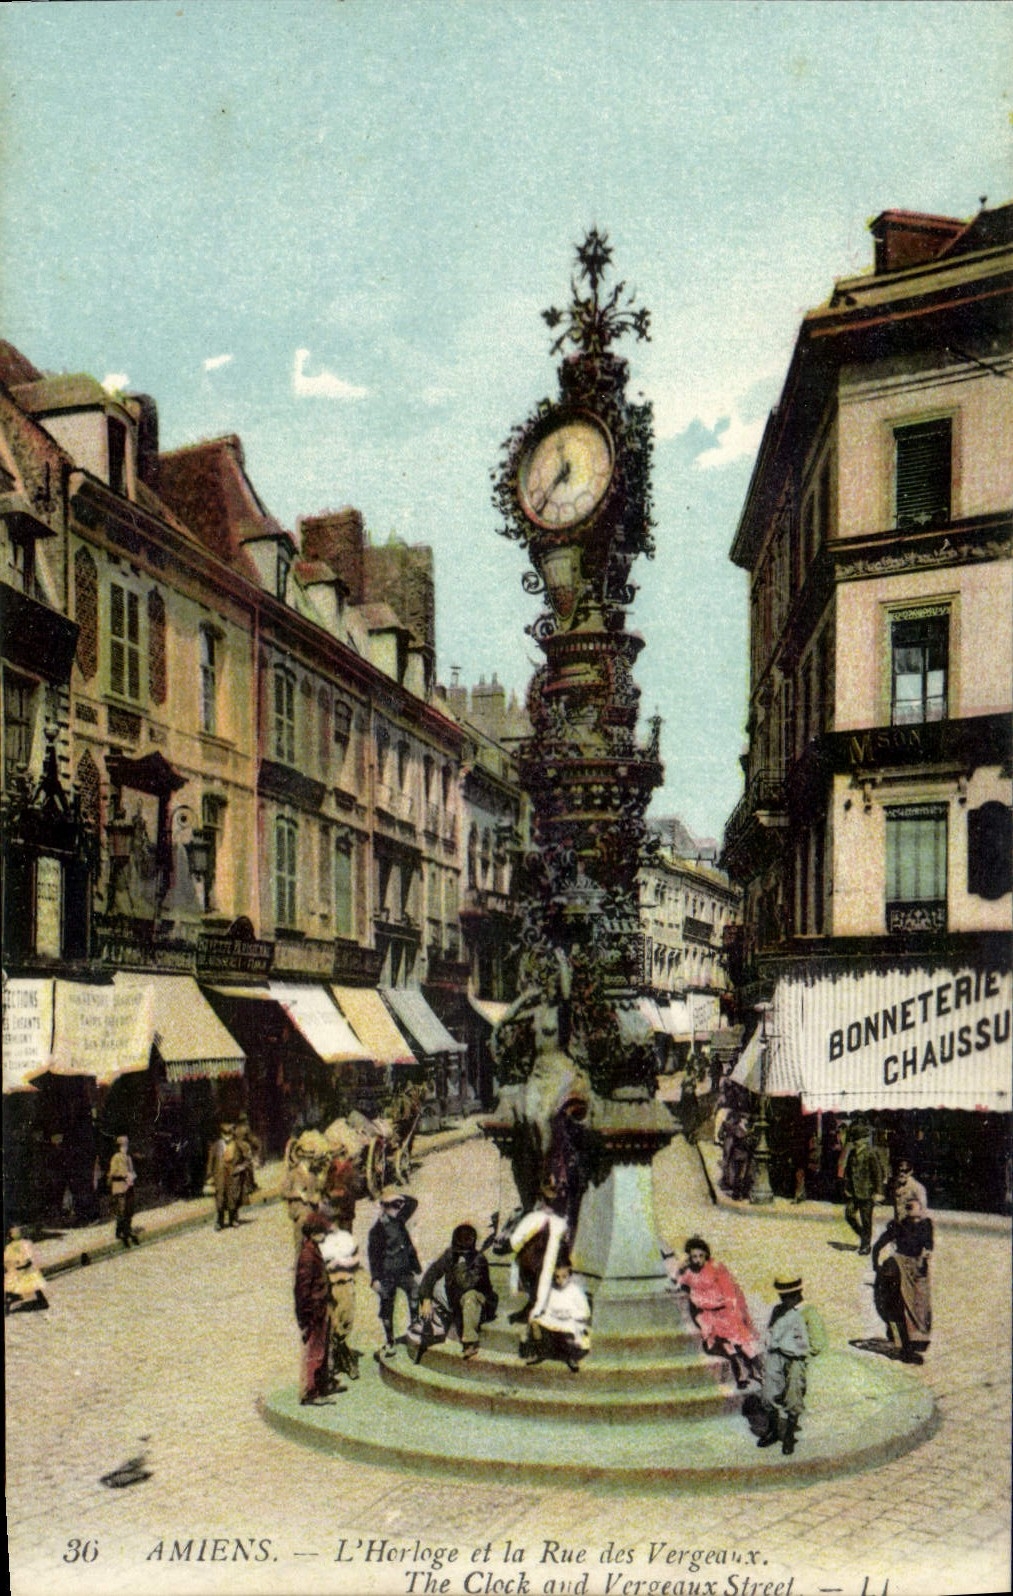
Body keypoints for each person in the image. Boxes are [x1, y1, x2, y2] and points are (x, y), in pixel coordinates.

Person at [664, 1236, 761, 1389]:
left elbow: (729, 1292)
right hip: (706, 1315)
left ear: (706, 1255)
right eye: (694, 1256)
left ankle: (760, 1371)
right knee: (726, 1345)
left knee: (742, 1343)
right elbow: (676, 1282)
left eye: (701, 1256)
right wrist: (681, 1268)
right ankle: (740, 1376)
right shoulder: (689, 1273)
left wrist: (732, 1312)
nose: (697, 1260)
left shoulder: (715, 1268)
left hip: (724, 1312)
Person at [757, 1271, 827, 1455]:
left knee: (793, 1394)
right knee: (769, 1392)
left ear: (798, 1294)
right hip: (776, 1355)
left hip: (796, 1359)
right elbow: (771, 1329)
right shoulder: (778, 1310)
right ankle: (773, 1429)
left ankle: (789, 1434)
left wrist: (803, 1354)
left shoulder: (808, 1312)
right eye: (782, 1295)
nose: (785, 1299)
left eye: (789, 1296)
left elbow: (819, 1341)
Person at [418, 1223, 498, 1360]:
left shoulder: (479, 1259)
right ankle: (433, 1327)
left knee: (469, 1296)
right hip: (456, 1298)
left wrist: (461, 1263)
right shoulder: (450, 1254)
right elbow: (431, 1274)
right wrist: (426, 1299)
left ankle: (470, 1342)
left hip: (481, 1303)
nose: (459, 1251)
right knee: (430, 1288)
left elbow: (466, 1285)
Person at [872, 1196, 933, 1363]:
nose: (913, 1214)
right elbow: (878, 1245)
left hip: (918, 1270)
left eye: (915, 1209)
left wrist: (927, 1252)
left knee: (920, 1307)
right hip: (900, 1267)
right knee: (897, 1306)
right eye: (909, 1209)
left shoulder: (926, 1225)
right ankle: (904, 1346)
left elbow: (929, 1244)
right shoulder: (899, 1226)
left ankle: (913, 1342)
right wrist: (875, 1264)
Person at [506, 1176, 569, 1325]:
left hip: (533, 1261)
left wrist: (517, 1249)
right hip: (552, 1263)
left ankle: (536, 1310)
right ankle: (539, 1309)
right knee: (545, 1285)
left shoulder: (535, 1217)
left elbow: (515, 1240)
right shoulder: (563, 1221)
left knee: (537, 1284)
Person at [367, 1187, 421, 1359]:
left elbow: (413, 1203)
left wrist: (397, 1197)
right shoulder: (377, 1230)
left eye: (398, 1205)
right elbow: (373, 1256)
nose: (396, 1208)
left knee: (415, 1293)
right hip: (387, 1274)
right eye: (392, 1205)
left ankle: (415, 1327)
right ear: (383, 1206)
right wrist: (375, 1278)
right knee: (387, 1308)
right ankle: (390, 1341)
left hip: (405, 1270)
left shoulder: (400, 1220)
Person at [522, 1249, 591, 1373]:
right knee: (535, 1322)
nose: (560, 1281)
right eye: (557, 1277)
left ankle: (571, 1357)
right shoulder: (551, 1289)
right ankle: (540, 1351)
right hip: (554, 1318)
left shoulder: (575, 1290)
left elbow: (585, 1312)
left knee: (571, 1333)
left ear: (569, 1275)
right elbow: (545, 1307)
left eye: (564, 1276)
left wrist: (569, 1314)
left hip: (570, 1320)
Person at [294, 1211, 336, 1403]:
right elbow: (302, 1290)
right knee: (314, 1353)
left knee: (322, 1349)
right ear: (313, 1233)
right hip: (314, 1312)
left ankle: (321, 1386)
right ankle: (310, 1393)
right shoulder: (308, 1256)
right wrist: (305, 1317)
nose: (324, 1235)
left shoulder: (312, 1249)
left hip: (320, 1308)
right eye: (321, 1232)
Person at [318, 1223, 362, 1385]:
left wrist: (342, 1263)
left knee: (346, 1322)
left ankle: (341, 1352)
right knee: (331, 1324)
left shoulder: (347, 1239)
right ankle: (338, 1363)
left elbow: (357, 1260)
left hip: (346, 1284)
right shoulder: (321, 1242)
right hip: (329, 1286)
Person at [840, 1120, 882, 1255]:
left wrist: (878, 1192)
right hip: (854, 1192)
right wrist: (847, 1186)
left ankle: (866, 1245)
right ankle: (863, 1236)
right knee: (849, 1214)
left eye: (858, 1139)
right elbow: (848, 1171)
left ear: (863, 1139)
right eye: (855, 1139)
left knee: (866, 1220)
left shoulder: (870, 1153)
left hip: (867, 1192)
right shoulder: (852, 1153)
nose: (856, 1142)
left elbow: (878, 1174)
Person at [206, 1124, 246, 1231]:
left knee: (232, 1198)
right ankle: (220, 1221)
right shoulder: (216, 1146)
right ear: (221, 1134)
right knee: (220, 1199)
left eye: (229, 1134)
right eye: (225, 1134)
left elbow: (246, 1160)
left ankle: (233, 1219)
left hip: (232, 1176)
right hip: (220, 1176)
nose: (227, 1136)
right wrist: (209, 1176)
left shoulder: (237, 1145)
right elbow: (210, 1163)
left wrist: (240, 1168)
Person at [4, 1226, 49, 1314]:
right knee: (11, 1284)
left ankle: (41, 1299)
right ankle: (9, 1302)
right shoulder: (10, 1247)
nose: (16, 1234)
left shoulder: (25, 1243)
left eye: (17, 1232)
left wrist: (25, 1263)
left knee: (34, 1284)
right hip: (17, 1269)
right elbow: (7, 1258)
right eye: (13, 1233)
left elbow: (29, 1255)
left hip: (26, 1268)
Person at [108, 1135, 139, 1247]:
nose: (125, 1147)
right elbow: (112, 1173)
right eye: (122, 1145)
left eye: (126, 1145)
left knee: (129, 1211)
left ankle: (127, 1230)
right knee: (121, 1211)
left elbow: (132, 1171)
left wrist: (132, 1176)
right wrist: (124, 1175)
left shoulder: (128, 1158)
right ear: (119, 1146)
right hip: (119, 1188)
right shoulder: (116, 1157)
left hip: (129, 1187)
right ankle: (119, 1232)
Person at [234, 1113, 262, 1207]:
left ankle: (247, 1186)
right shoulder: (245, 1128)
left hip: (236, 1150)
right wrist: (257, 1145)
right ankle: (251, 1186)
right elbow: (251, 1139)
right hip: (244, 1149)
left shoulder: (234, 1129)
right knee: (248, 1168)